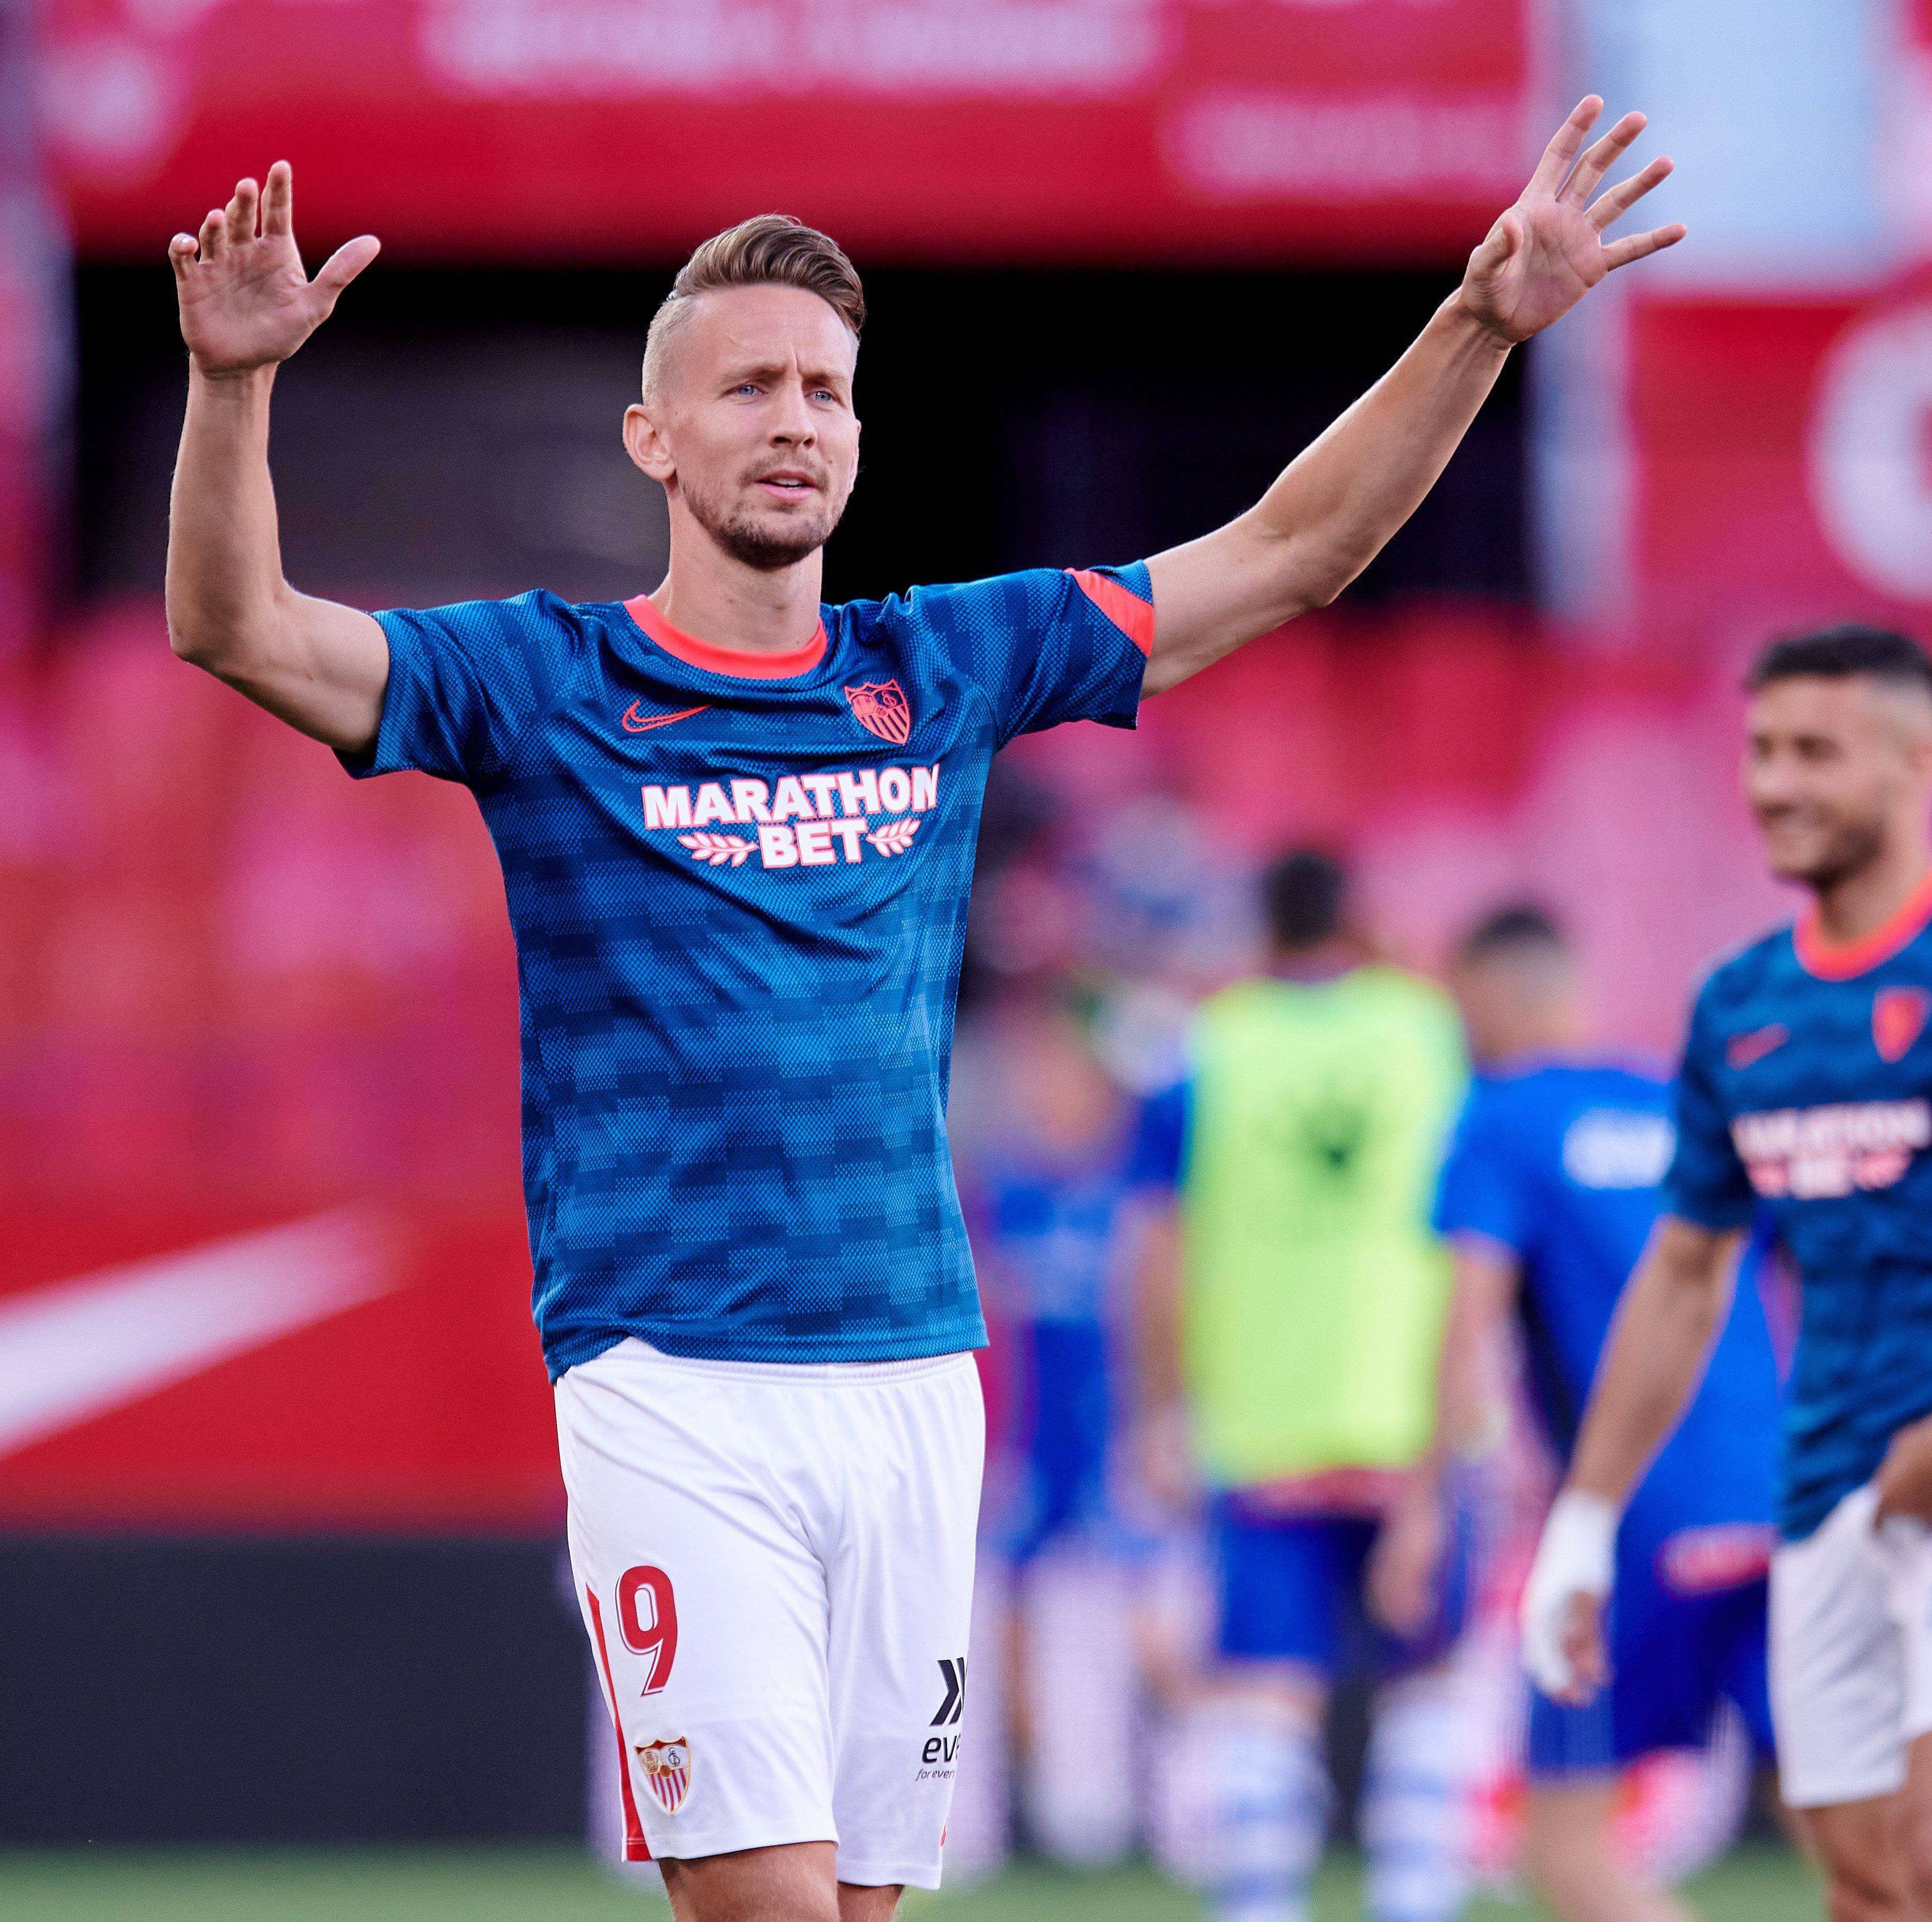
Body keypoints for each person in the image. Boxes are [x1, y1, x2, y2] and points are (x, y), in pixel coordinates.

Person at [162, 96, 1680, 1920]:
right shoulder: (540, 682)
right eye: (749, 389)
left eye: (824, 390)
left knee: (863, 1909)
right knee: (771, 1906)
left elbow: (1292, 551)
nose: (794, 420)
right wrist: (232, 389)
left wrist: (1480, 322)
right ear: (653, 436)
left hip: (912, 1378)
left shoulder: (942, 665)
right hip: (673, 1373)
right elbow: (238, 629)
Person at [1522, 626, 1932, 1922]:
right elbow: (1687, 1271)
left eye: (1816, 750)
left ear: (1914, 762)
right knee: (1865, 1881)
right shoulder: (1739, 1007)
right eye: (1760, 750)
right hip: (1827, 1502)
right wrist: (1584, 1519)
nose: (1775, 782)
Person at [1131, 849, 1474, 1922]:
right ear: (1360, 918)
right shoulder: (1429, 1034)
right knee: (1425, 1683)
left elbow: (1150, 1251)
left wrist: (1155, 1408)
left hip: (1262, 1416)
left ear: (1260, 930)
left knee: (1265, 1694)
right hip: (1410, 1411)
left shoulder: (1203, 1049)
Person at [1436, 905, 1781, 1922]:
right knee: (1849, 1826)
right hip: (1777, 1491)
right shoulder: (1681, 1102)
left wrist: (1465, 1490)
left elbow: (1469, 1331)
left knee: (1567, 1848)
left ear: (1491, 998)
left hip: (1631, 1508)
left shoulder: (1499, 1116)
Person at [967, 993, 1157, 1865]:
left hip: (1115, 1438)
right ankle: (963, 1822)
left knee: (1125, 1625)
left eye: (1068, 1070)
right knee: (968, 1626)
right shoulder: (998, 1190)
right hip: (1011, 1445)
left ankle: (1105, 1817)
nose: (1051, 1089)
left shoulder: (1139, 1189)